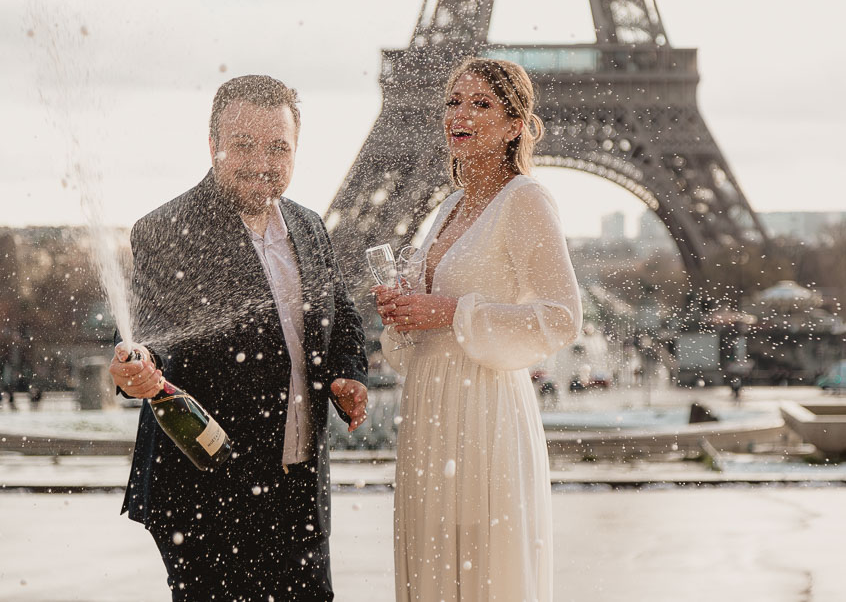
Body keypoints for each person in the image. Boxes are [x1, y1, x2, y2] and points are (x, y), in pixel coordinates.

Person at [107, 75, 369, 601]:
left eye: (278, 148)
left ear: (297, 150)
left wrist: (347, 373)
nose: (262, 163)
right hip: (208, 491)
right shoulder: (166, 228)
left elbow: (341, 316)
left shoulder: (310, 225)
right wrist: (137, 367)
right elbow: (153, 334)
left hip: (299, 488)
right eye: (243, 145)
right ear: (212, 146)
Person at [374, 58, 582, 601]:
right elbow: (420, 335)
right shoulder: (448, 206)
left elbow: (562, 317)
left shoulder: (526, 200)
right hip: (430, 410)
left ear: (516, 125)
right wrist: (405, 314)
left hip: (483, 410)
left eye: (481, 103)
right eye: (453, 101)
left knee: (482, 567)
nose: (460, 114)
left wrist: (451, 312)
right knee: (436, 564)